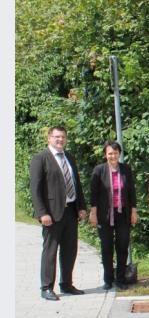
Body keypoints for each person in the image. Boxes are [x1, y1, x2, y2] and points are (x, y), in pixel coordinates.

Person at [30, 126, 88, 300]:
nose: (60, 140)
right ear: (49, 138)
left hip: (70, 211)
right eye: (56, 137)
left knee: (70, 250)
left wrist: (81, 207)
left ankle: (66, 284)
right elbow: (35, 189)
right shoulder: (40, 158)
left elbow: (76, 184)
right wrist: (42, 213)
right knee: (50, 250)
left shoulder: (69, 157)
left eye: (62, 137)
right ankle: (46, 287)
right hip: (52, 214)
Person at [89, 141, 138, 291]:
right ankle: (108, 279)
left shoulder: (126, 169)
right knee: (106, 247)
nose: (113, 156)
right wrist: (93, 213)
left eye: (115, 153)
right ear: (105, 155)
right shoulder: (99, 170)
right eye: (110, 153)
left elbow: (131, 192)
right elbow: (94, 194)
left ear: (119, 154)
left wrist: (134, 211)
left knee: (122, 246)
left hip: (123, 214)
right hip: (105, 215)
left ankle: (121, 279)